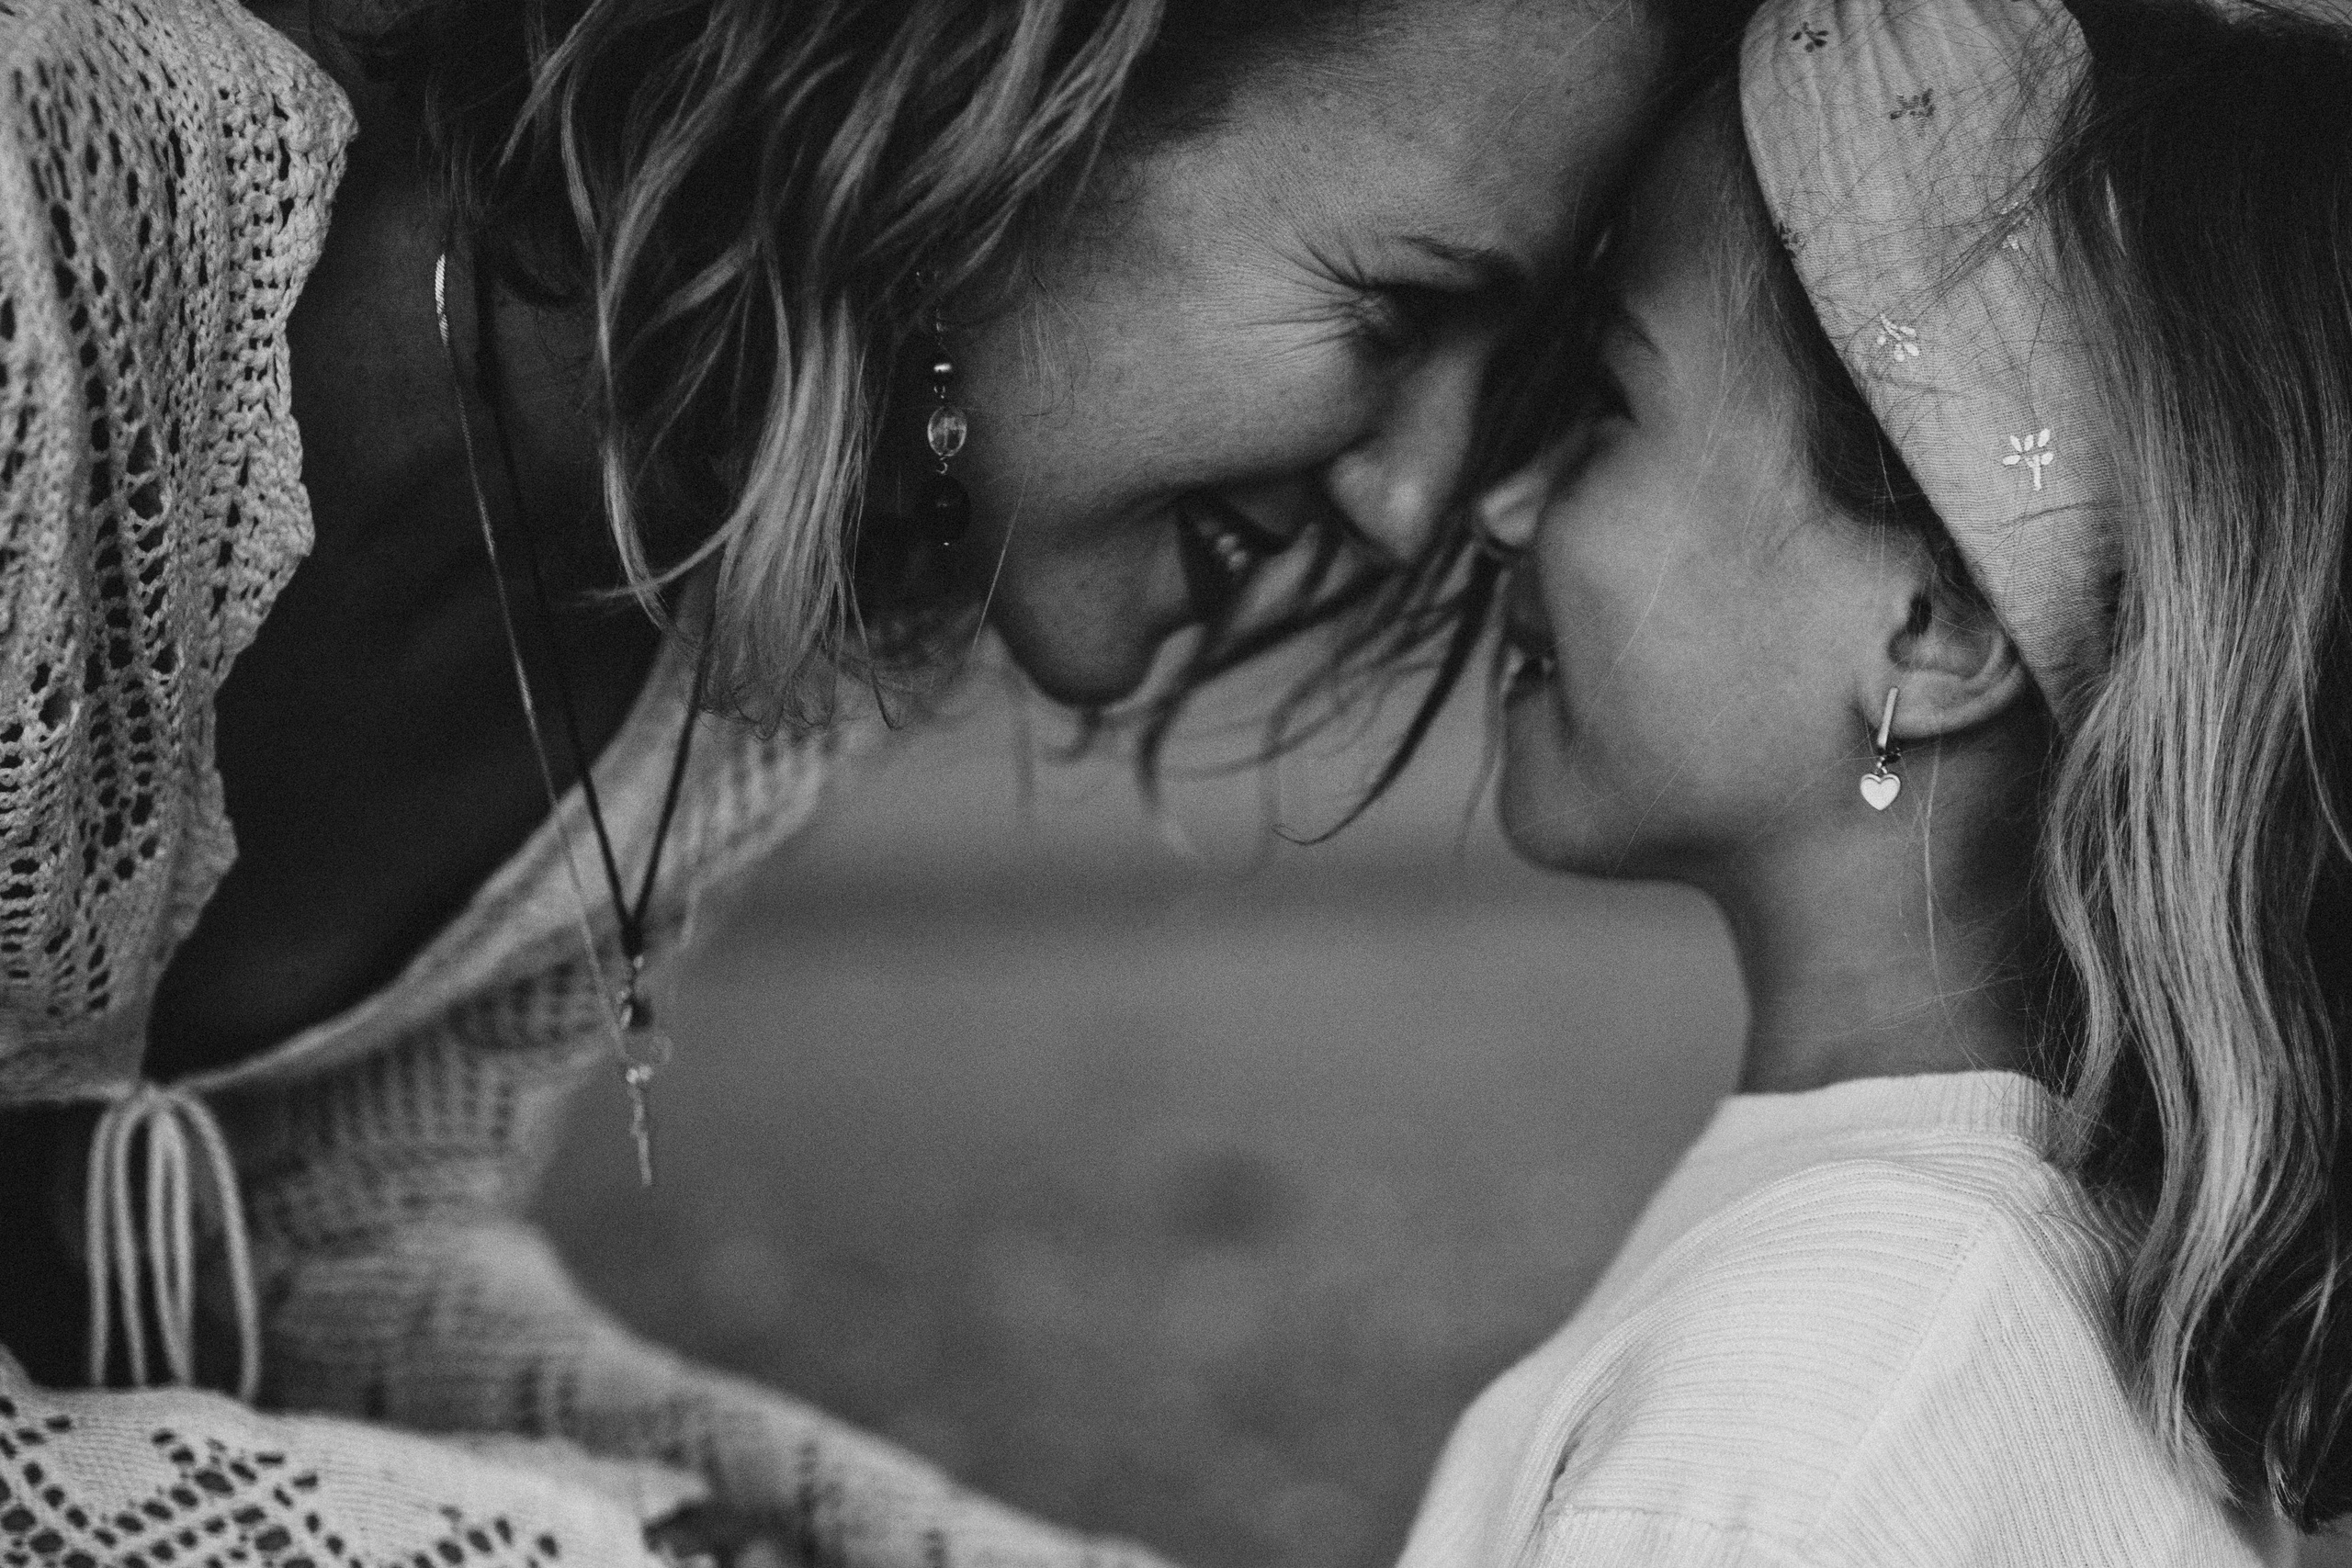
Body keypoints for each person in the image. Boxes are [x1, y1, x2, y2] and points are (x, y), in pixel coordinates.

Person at [0, 0, 1692, 1564]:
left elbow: (320, 1247)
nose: (1419, 500)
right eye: (1399, 314)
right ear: (1002, 106)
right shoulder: (53, 247)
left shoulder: (756, 590)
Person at [1405, 0, 2352, 1561]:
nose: (1501, 503)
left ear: (1934, 626)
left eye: (1605, 408)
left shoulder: (1821, 1393)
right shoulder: (1940, 1290)